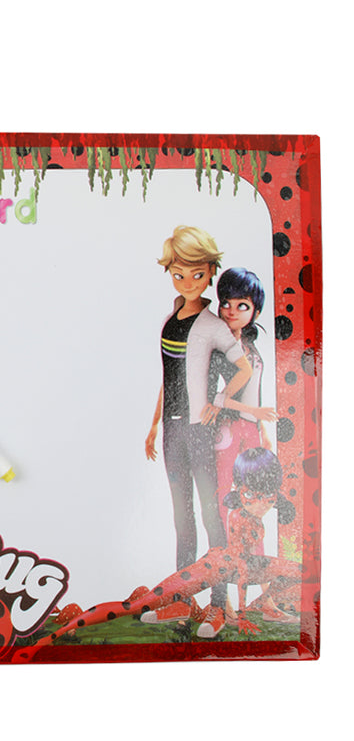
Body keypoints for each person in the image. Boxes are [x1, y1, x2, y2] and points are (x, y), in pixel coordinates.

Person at [15, 449, 312, 662]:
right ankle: (48, 639)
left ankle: (266, 606)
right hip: (219, 568)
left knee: (299, 569)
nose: (261, 504)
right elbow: (241, 569)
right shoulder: (238, 516)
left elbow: (248, 563)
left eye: (268, 498)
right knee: (136, 605)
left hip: (237, 566)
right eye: (252, 496)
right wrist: (242, 615)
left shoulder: (252, 515)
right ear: (240, 490)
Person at [144, 226, 253, 636]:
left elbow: (243, 367)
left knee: (210, 514)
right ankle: (182, 599)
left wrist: (218, 400)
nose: (188, 282)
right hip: (172, 432)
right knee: (181, 517)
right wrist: (154, 424)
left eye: (197, 274)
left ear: (209, 272)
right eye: (179, 274)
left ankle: (218, 606)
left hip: (199, 432)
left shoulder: (212, 326)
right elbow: (167, 378)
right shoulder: (170, 319)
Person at [210, 268, 277, 525]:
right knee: (224, 488)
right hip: (229, 425)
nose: (231, 311)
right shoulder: (219, 347)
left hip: (251, 427)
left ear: (255, 312)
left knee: (253, 491)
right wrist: (255, 414)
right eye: (226, 303)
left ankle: (250, 543)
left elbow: (254, 393)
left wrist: (262, 429)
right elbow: (217, 398)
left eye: (242, 306)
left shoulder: (249, 346)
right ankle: (223, 543)